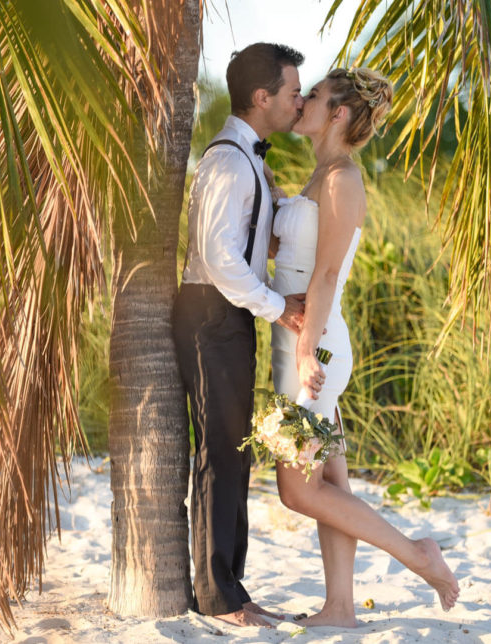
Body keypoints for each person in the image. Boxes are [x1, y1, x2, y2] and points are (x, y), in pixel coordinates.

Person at [270, 68, 461, 627]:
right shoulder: (321, 174)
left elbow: (327, 275)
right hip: (303, 341)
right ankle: (340, 608)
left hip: (317, 346)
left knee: (296, 488)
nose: (302, 101)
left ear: (339, 114)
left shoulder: (342, 180)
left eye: (317, 96)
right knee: (330, 483)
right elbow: (297, 258)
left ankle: (418, 554)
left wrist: (306, 354)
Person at [172, 43, 310, 629]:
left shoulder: (248, 157)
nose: (298, 100)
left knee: (233, 453)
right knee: (217, 455)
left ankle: (233, 586)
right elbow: (219, 257)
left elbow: (241, 243)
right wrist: (278, 308)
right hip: (211, 311)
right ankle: (216, 596)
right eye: (293, 91)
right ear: (263, 97)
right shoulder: (229, 160)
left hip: (228, 313)